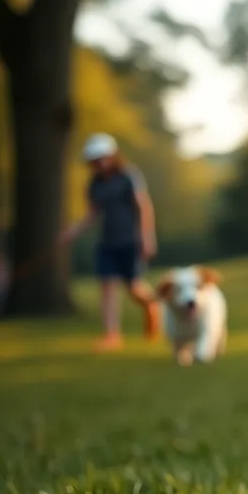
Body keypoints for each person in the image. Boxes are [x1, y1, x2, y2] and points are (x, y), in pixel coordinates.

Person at [59, 133, 161, 351]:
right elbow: (92, 215)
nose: (98, 163)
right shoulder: (94, 184)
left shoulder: (128, 176)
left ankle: (152, 305)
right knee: (107, 286)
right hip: (107, 242)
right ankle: (111, 335)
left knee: (134, 287)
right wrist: (72, 232)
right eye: (94, 160)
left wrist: (147, 237)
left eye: (101, 158)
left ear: (112, 156)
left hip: (130, 240)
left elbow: (143, 207)